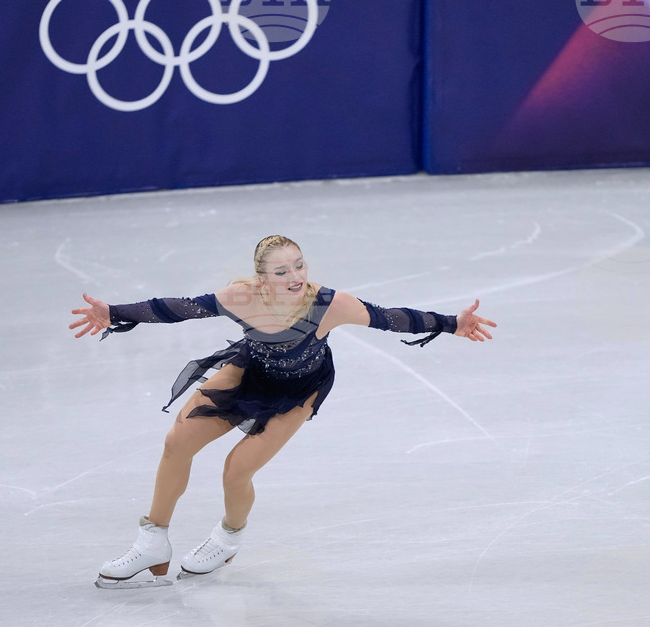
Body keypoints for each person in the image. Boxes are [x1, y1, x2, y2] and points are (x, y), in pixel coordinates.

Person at [70, 235, 496, 588]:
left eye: (299, 265)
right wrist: (113, 313)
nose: (294, 277)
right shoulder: (240, 297)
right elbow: (175, 308)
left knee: (236, 470)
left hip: (299, 389)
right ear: (262, 278)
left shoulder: (329, 304)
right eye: (281, 271)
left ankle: (228, 536)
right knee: (176, 442)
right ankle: (152, 541)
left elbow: (391, 317)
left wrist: (450, 323)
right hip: (248, 371)